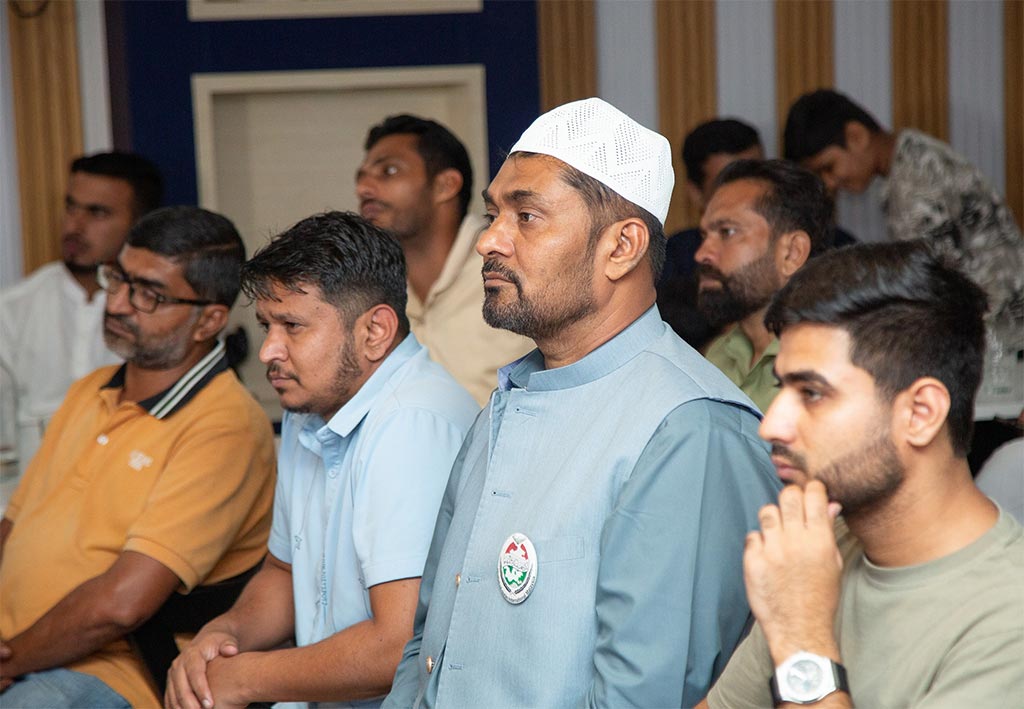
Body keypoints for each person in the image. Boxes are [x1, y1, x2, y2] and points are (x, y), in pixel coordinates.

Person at [383, 98, 780, 709]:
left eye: (527, 216)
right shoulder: (510, 396)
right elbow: (428, 643)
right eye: (493, 214)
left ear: (621, 247)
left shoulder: (689, 428)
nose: (489, 239)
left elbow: (643, 698)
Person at [166, 211, 478, 709]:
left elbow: (394, 647)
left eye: (292, 326)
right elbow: (283, 573)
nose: (269, 350)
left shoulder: (411, 423)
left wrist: (244, 678)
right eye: (267, 325)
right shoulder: (308, 405)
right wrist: (221, 637)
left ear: (375, 331)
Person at [700, 240, 1023, 708]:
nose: (771, 424)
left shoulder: (1006, 619)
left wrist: (800, 633)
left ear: (920, 413)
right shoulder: (824, 547)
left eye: (811, 392)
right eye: (781, 388)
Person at [0, 206, 276, 708]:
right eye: (118, 279)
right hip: (18, 648)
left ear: (208, 320)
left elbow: (122, 606)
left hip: (118, 668)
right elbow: (14, 527)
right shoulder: (90, 392)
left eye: (148, 293)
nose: (119, 304)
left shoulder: (224, 425)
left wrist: (11, 661)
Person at [784, 88, 1023, 317]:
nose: (829, 183)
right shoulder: (912, 156)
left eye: (828, 167)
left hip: (1002, 330)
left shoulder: (915, 179)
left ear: (856, 136)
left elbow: (925, 281)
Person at [0, 152, 164, 478]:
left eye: (97, 213)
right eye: (71, 207)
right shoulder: (12, 310)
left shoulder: (163, 312)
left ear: (139, 223)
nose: (74, 225)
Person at [356, 115, 532, 405]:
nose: (364, 189)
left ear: (445, 185)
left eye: (388, 171)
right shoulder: (369, 287)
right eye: (360, 178)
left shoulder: (513, 263)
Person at [695, 159, 833, 412]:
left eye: (727, 232)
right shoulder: (719, 355)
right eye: (704, 236)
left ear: (792, 253)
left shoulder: (831, 363)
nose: (702, 253)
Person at [658, 118, 763, 350]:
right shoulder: (671, 260)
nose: (745, 195)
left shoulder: (810, 245)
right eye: (727, 183)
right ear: (696, 194)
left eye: (755, 179)